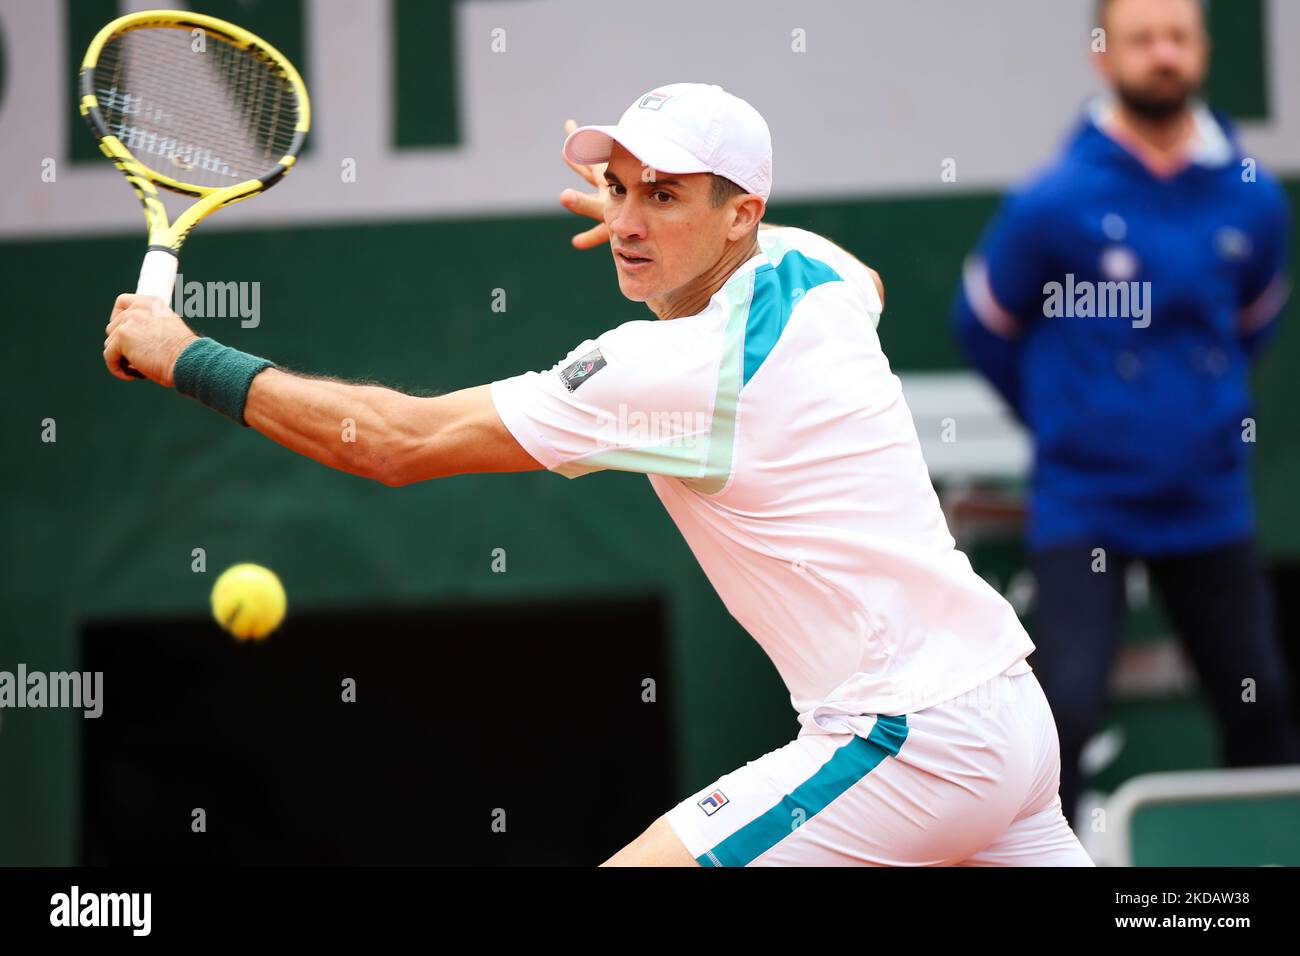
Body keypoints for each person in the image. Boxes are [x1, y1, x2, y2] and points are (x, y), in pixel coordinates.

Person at [103, 82, 1090, 866]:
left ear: (740, 211)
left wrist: (185, 354)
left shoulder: (670, 369)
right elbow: (856, 272)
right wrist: (675, 237)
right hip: (1008, 713)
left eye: (662, 196)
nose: (626, 220)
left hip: (906, 731)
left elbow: (395, 443)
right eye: (618, 189)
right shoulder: (821, 281)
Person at [950, 0, 1298, 827]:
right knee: (1061, 714)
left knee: (1261, 709)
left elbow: (1256, 319)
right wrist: (1073, 422)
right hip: (1087, 503)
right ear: (1104, 57)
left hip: (1208, 502)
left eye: (1179, 37)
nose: (1164, 55)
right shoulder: (1053, 200)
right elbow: (985, 324)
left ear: (1203, 50)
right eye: (1144, 40)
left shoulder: (1252, 198)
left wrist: (1197, 415)